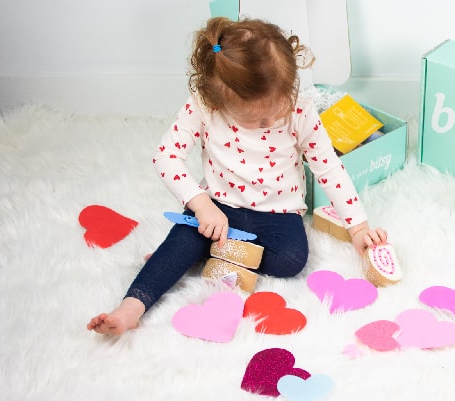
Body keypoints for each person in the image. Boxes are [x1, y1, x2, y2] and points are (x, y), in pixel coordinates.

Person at [87, 17, 388, 335]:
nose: (272, 119)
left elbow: (328, 166)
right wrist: (201, 205)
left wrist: (358, 227)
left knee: (292, 261)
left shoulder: (299, 110)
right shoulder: (204, 106)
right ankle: (130, 307)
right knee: (180, 242)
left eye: (279, 105)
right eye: (259, 119)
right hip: (217, 206)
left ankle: (207, 252)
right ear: (221, 101)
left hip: (277, 211)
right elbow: (166, 156)